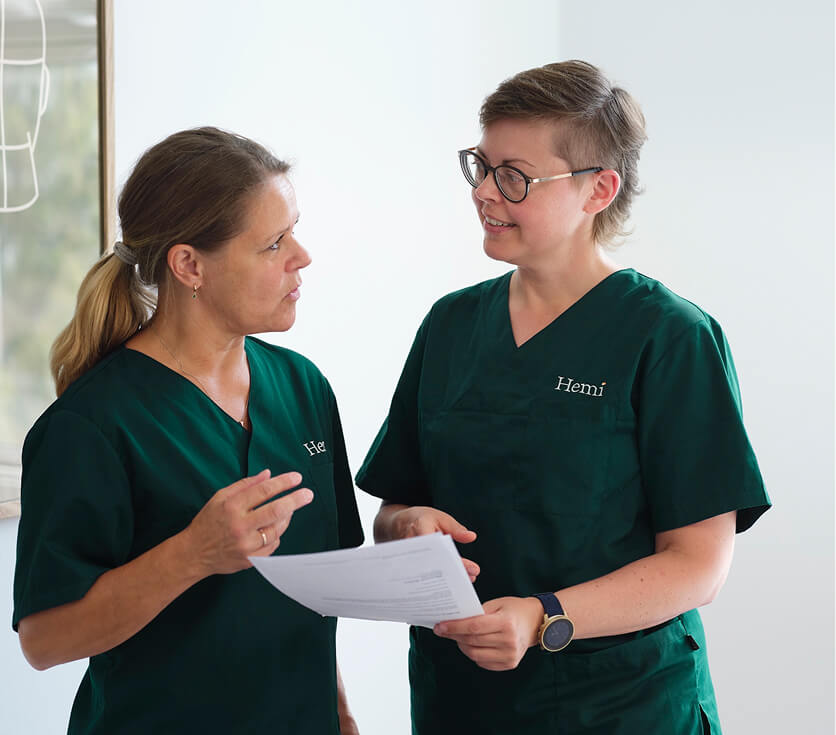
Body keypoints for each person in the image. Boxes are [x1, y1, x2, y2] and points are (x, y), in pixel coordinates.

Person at [355, 61, 770, 734]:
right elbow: (395, 505)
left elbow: (698, 567)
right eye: (480, 167)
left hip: (620, 704)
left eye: (513, 176)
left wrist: (543, 616)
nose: (485, 194)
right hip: (461, 699)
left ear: (597, 189)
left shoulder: (669, 337)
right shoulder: (451, 326)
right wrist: (406, 527)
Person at [13, 127, 364, 734]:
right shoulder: (92, 425)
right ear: (189, 265)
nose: (301, 256)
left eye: (294, 230)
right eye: (274, 243)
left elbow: (305, 594)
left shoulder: (303, 387)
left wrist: (339, 713)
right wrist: (193, 554)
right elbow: (45, 639)